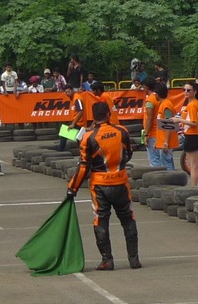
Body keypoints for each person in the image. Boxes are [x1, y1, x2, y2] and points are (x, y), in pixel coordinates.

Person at [67, 102, 140, 270]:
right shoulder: (122, 131)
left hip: (100, 186)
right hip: (121, 182)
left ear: (93, 117)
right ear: (108, 114)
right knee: (128, 219)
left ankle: (107, 260)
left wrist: (73, 188)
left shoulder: (88, 137)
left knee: (101, 220)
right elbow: (128, 154)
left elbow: (84, 165)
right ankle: (134, 259)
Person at [174, 82, 198, 186]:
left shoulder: (192, 104)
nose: (185, 92)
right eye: (184, 90)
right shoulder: (194, 103)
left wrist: (179, 120)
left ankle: (194, 188)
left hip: (192, 135)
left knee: (193, 166)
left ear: (195, 92)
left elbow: (193, 122)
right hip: (196, 135)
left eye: (188, 90)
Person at [153, 83, 178, 170]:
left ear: (157, 94)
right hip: (163, 141)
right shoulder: (163, 104)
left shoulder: (166, 105)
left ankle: (172, 183)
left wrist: (166, 142)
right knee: (166, 164)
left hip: (166, 142)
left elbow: (169, 124)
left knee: (167, 165)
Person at [58, 86, 84, 152]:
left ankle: (60, 151)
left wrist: (73, 124)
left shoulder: (77, 98)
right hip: (77, 122)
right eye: (66, 92)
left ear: (72, 90)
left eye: (69, 91)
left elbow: (81, 111)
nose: (67, 93)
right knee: (79, 138)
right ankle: (82, 152)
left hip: (79, 123)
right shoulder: (73, 98)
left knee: (64, 134)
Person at [141, 78, 160, 168]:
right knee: (162, 159)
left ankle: (157, 179)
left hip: (152, 133)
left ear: (146, 87)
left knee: (154, 159)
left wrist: (146, 135)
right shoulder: (159, 98)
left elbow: (149, 119)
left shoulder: (150, 100)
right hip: (160, 131)